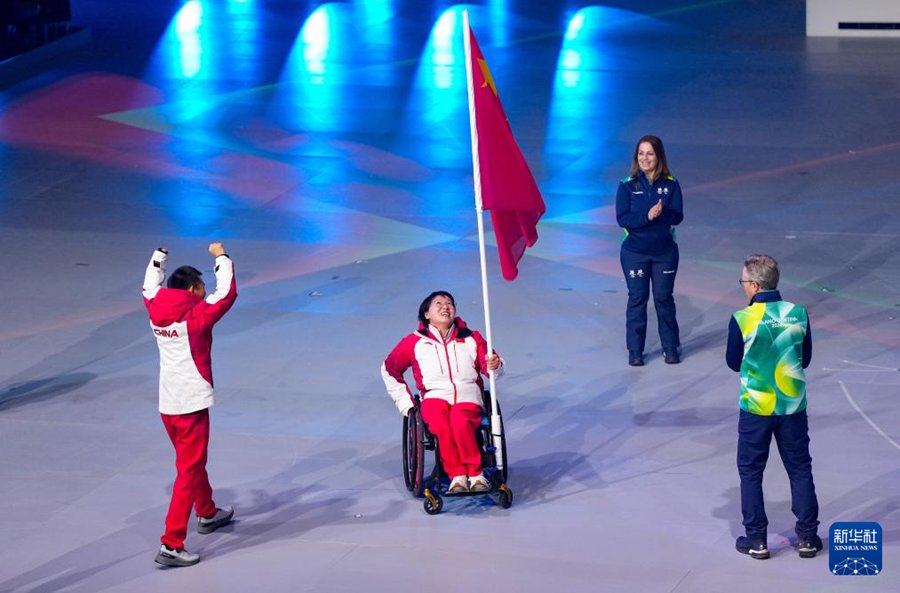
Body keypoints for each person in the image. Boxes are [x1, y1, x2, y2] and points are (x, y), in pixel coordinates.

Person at [142, 243, 238, 567]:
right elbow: (225, 294)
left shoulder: (155, 308)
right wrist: (221, 257)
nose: (205, 290)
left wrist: (159, 257)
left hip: (167, 405)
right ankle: (172, 542)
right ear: (193, 289)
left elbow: (149, 286)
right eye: (201, 286)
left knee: (191, 463)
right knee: (188, 469)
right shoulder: (196, 318)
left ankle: (207, 512)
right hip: (191, 406)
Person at [727, 254, 821, 560]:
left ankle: (757, 540)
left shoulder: (743, 319)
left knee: (751, 473)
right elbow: (805, 359)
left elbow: (732, 362)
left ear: (754, 285)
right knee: (800, 469)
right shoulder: (799, 313)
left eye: (743, 282)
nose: (743, 287)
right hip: (792, 407)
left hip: (756, 408)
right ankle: (807, 537)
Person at [381, 291, 503, 494]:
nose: (445, 307)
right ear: (426, 314)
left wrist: (495, 365)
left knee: (459, 419)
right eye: (438, 303)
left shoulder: (472, 337)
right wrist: (407, 405)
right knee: (439, 422)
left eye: (449, 303)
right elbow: (389, 369)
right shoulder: (414, 341)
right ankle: (457, 475)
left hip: (467, 396)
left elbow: (492, 368)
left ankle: (475, 473)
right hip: (434, 398)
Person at [615, 135, 684, 366]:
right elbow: (623, 218)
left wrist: (661, 213)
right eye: (641, 153)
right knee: (637, 298)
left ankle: (670, 347)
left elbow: (678, 216)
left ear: (658, 156)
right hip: (635, 253)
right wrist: (647, 216)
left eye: (650, 153)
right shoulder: (627, 185)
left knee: (664, 298)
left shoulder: (671, 184)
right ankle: (635, 350)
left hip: (664, 253)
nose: (645, 158)